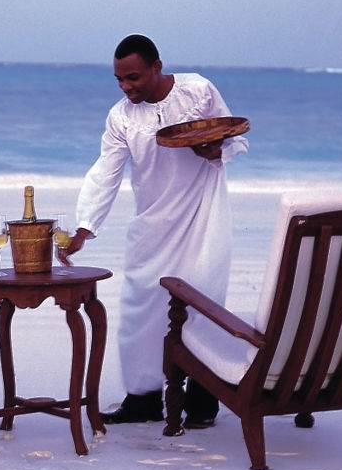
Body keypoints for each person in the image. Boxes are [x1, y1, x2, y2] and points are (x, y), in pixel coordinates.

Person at [59, 34, 247, 426]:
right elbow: (105, 172)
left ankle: (201, 404)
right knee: (140, 307)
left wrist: (218, 152)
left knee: (202, 305)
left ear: (156, 67)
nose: (127, 87)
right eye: (119, 80)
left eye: (134, 78)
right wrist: (84, 227)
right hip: (152, 223)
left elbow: (233, 137)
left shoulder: (198, 90)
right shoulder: (121, 117)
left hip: (203, 215)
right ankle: (143, 401)